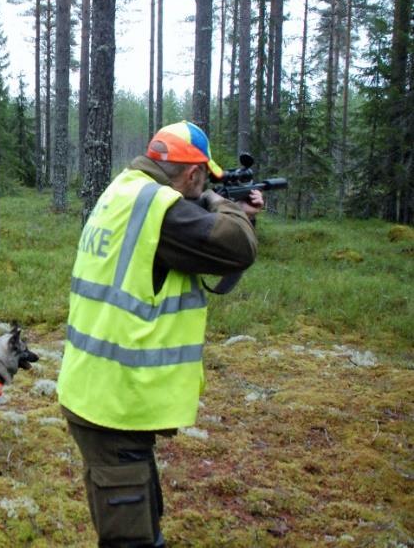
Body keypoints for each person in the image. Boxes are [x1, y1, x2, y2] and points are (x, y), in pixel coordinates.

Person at [57, 121, 264, 547]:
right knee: (130, 539)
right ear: (192, 176)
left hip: (102, 392)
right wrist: (222, 205)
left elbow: (209, 259)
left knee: (144, 522)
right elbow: (237, 248)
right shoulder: (163, 211)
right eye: (203, 178)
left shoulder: (125, 189)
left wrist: (218, 203)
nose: (204, 185)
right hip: (113, 403)